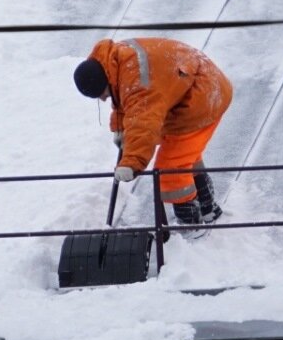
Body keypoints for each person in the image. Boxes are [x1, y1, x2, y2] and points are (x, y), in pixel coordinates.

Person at [73, 37, 234, 237]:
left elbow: (143, 121)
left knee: (170, 166)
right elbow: (124, 99)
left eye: (102, 94)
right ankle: (207, 207)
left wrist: (132, 163)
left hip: (202, 98)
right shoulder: (115, 63)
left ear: (104, 80)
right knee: (183, 155)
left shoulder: (138, 81)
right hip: (192, 85)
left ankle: (191, 223)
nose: (103, 99)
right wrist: (121, 129)